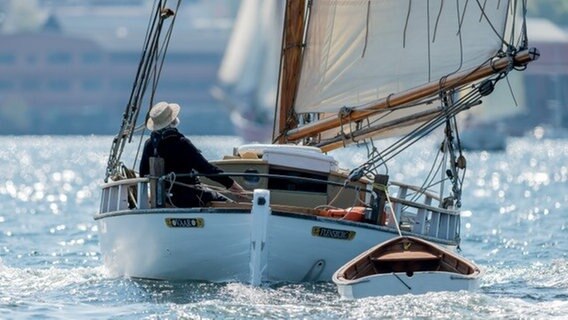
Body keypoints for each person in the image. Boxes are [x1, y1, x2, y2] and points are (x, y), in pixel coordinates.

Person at [139, 101, 245, 207]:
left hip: (163, 198)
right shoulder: (181, 143)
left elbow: (143, 174)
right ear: (173, 120)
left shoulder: (149, 145)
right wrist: (232, 185)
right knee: (228, 202)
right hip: (189, 197)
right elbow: (206, 169)